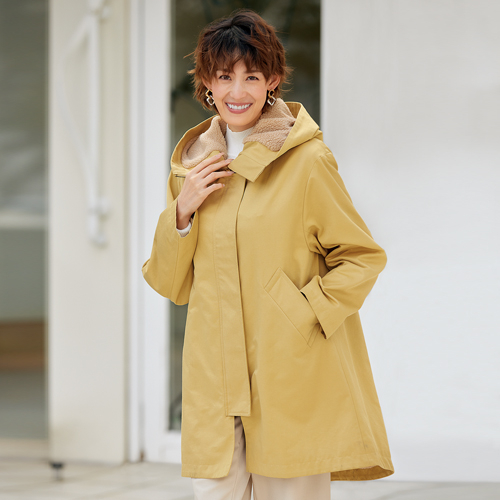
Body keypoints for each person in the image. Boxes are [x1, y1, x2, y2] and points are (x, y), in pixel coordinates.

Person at [142, 9, 394, 500]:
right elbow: (170, 283)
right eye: (224, 76)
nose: (237, 91)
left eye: (252, 77)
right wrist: (182, 210)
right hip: (215, 377)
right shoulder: (191, 170)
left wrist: (302, 312)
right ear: (207, 84)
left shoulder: (307, 161)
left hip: (288, 369)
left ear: (273, 81)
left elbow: (362, 255)